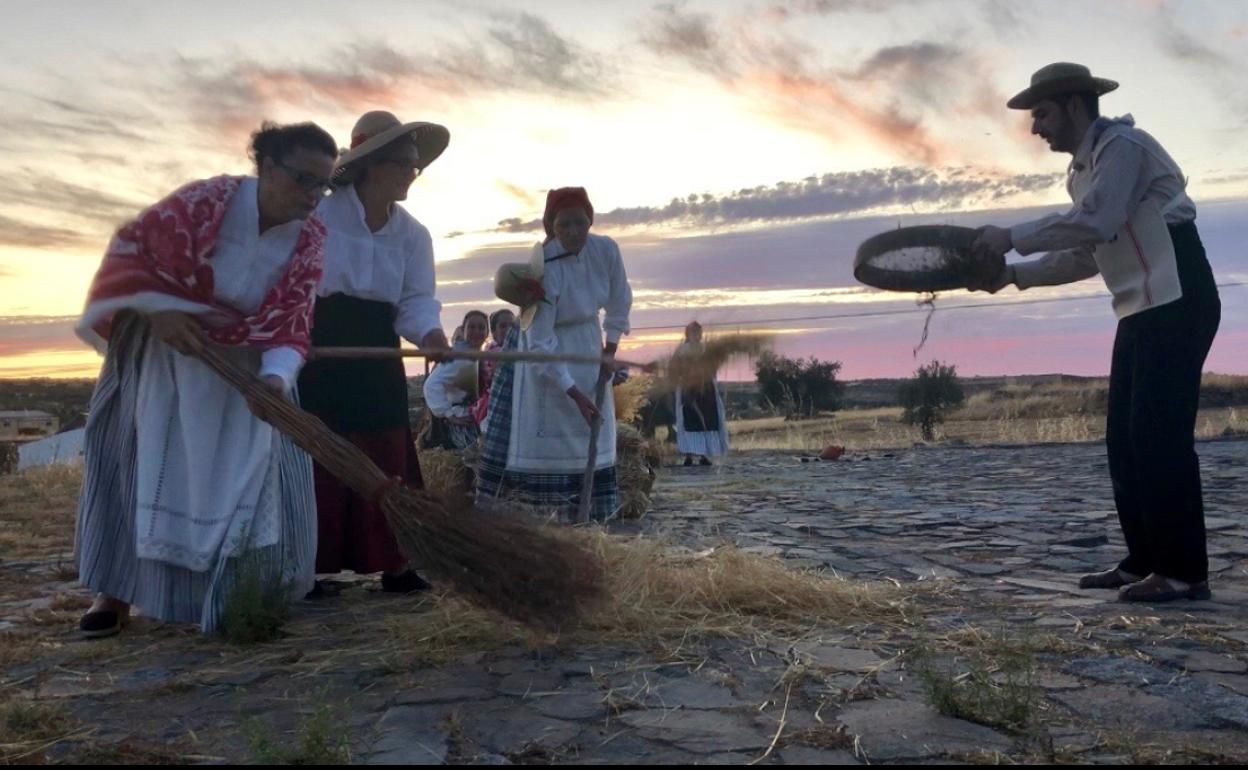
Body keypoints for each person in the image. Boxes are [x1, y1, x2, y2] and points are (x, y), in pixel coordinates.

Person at [969, 63, 1221, 603]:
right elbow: (1087, 252)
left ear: (1075, 106)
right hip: (1138, 306)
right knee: (1125, 440)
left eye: (1041, 113)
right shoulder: (1083, 171)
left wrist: (1010, 237)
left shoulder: (1123, 146)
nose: (1035, 127)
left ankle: (1183, 572)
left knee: (1159, 436)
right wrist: (1013, 276)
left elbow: (1096, 221)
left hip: (1179, 297)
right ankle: (1144, 561)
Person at [74, 121, 337, 636]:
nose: (313, 196)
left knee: (257, 477)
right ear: (265, 166)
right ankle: (116, 592)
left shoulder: (310, 239)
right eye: (303, 179)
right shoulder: (205, 203)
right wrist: (158, 310)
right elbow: (134, 252)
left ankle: (237, 598)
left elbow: (292, 321)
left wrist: (277, 382)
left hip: (247, 368)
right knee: (141, 463)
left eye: (323, 185)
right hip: (166, 353)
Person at [298, 111, 451, 594]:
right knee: (322, 448)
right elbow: (294, 283)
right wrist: (297, 340)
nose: (413, 172)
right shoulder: (318, 217)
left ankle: (395, 561)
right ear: (371, 165)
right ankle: (312, 566)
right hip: (319, 348)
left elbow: (415, 302)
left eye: (415, 165)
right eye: (405, 163)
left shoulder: (413, 235)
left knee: (387, 451)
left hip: (378, 348)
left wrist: (429, 334)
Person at [477, 187, 632, 522]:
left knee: (593, 430)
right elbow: (541, 341)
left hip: (589, 345)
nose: (574, 231)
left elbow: (620, 301)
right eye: (565, 225)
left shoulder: (606, 251)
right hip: (545, 352)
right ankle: (548, 521)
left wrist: (610, 349)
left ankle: (588, 516)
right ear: (552, 227)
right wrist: (572, 392)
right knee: (551, 433)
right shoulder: (544, 268)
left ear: (590, 220)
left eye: (580, 222)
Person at [422, 310, 488, 450]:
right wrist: (448, 413)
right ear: (463, 331)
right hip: (463, 420)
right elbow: (431, 385)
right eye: (471, 327)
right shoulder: (458, 358)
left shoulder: (475, 356)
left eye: (481, 327)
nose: (476, 331)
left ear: (487, 332)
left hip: (474, 417)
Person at [674, 321, 729, 466]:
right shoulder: (681, 350)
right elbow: (675, 367)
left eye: (698, 332)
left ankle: (704, 455)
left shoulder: (706, 349)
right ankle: (689, 455)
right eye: (693, 332)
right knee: (689, 420)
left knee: (707, 420)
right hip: (688, 388)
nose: (696, 335)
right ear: (688, 334)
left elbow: (713, 366)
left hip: (706, 389)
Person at [469, 309, 516, 428]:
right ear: (494, 332)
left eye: (512, 326)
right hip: (495, 406)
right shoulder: (493, 354)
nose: (508, 330)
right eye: (503, 326)